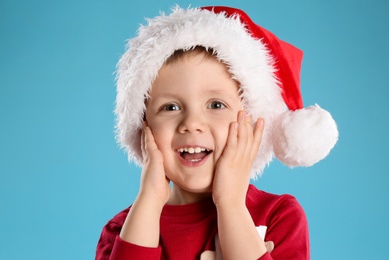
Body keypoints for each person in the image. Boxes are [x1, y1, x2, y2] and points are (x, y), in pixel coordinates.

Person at [96, 6, 338, 260]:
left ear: (251, 120)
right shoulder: (121, 232)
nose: (192, 123)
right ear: (143, 126)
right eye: (170, 107)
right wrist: (149, 200)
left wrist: (231, 204)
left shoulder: (278, 215)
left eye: (216, 104)